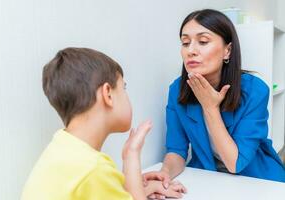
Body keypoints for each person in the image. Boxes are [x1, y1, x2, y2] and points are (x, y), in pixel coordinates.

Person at [144, 9, 285, 196]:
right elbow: (176, 151)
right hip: (208, 177)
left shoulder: (255, 90)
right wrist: (164, 175)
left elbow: (235, 163)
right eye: (185, 43)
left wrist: (210, 107)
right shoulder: (177, 90)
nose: (191, 51)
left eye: (203, 42)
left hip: (256, 179)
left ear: (227, 50)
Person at [21, 47, 185, 200]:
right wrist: (131, 156)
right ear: (108, 94)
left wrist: (138, 185)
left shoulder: (63, 147)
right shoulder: (94, 169)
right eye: (123, 88)